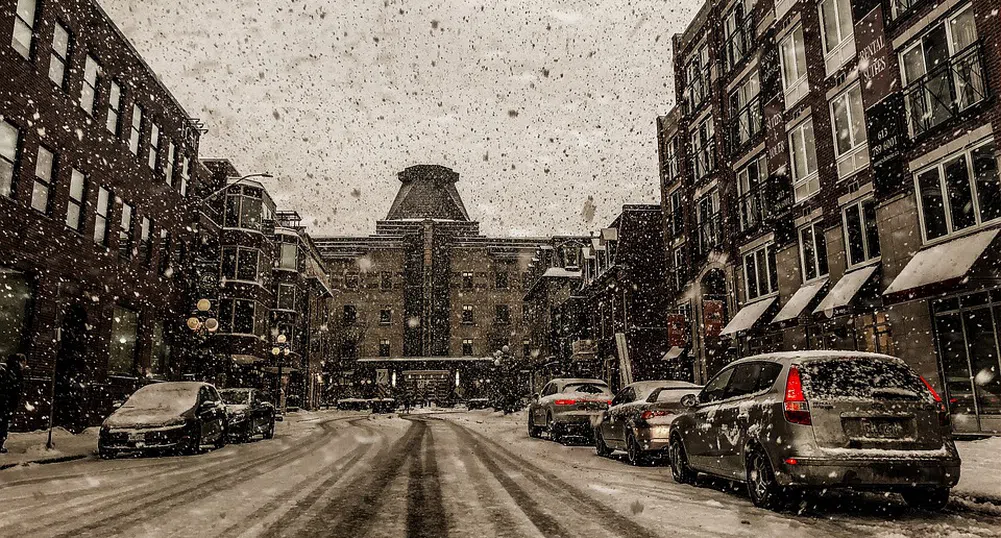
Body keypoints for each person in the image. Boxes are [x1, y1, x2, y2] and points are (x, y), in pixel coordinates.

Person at [0, 354, 28, 454]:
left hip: (5, 401)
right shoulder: (15, 372)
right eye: (24, 363)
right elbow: (15, 390)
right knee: (3, 423)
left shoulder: (7, 370)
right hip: (6, 403)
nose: (25, 365)